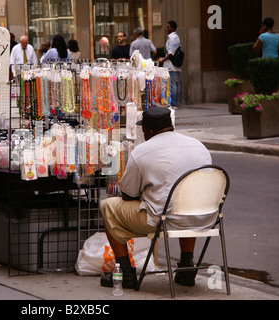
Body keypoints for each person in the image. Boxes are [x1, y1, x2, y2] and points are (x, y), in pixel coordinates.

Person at [99, 107, 213, 289]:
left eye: (143, 130)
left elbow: (128, 196)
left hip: (161, 220)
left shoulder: (142, 151)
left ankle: (125, 274)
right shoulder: (198, 146)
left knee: (107, 206)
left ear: (149, 131)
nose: (143, 134)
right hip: (202, 217)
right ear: (170, 125)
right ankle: (186, 267)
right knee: (184, 204)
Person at [158, 21, 181, 109]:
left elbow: (171, 52)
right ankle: (175, 102)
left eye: (168, 27)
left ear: (173, 28)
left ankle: (174, 103)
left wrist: (163, 59)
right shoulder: (174, 37)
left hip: (171, 65)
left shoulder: (173, 38)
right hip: (172, 65)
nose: (166, 29)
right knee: (175, 84)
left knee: (173, 85)